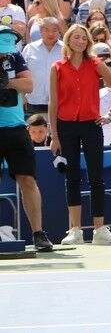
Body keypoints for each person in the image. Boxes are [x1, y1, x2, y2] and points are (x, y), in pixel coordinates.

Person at [49, 24, 111, 246]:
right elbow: (53, 103)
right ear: (69, 40)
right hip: (66, 126)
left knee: (96, 178)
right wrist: (54, 135)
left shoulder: (96, 64)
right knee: (72, 177)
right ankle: (75, 230)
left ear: (88, 42)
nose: (80, 41)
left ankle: (100, 229)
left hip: (92, 125)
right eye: (76, 37)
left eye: (84, 38)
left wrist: (109, 114)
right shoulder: (57, 67)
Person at [0, 26, 53, 251]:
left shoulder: (15, 56)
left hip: (16, 128)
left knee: (28, 180)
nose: (5, 54)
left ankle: (38, 234)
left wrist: (6, 82)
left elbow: (28, 85)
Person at [21, 17, 63, 115]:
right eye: (46, 30)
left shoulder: (66, 50)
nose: (50, 34)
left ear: (59, 32)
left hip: (59, 102)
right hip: (33, 101)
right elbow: (22, 74)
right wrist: (22, 96)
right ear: (40, 32)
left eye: (54, 30)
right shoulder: (29, 48)